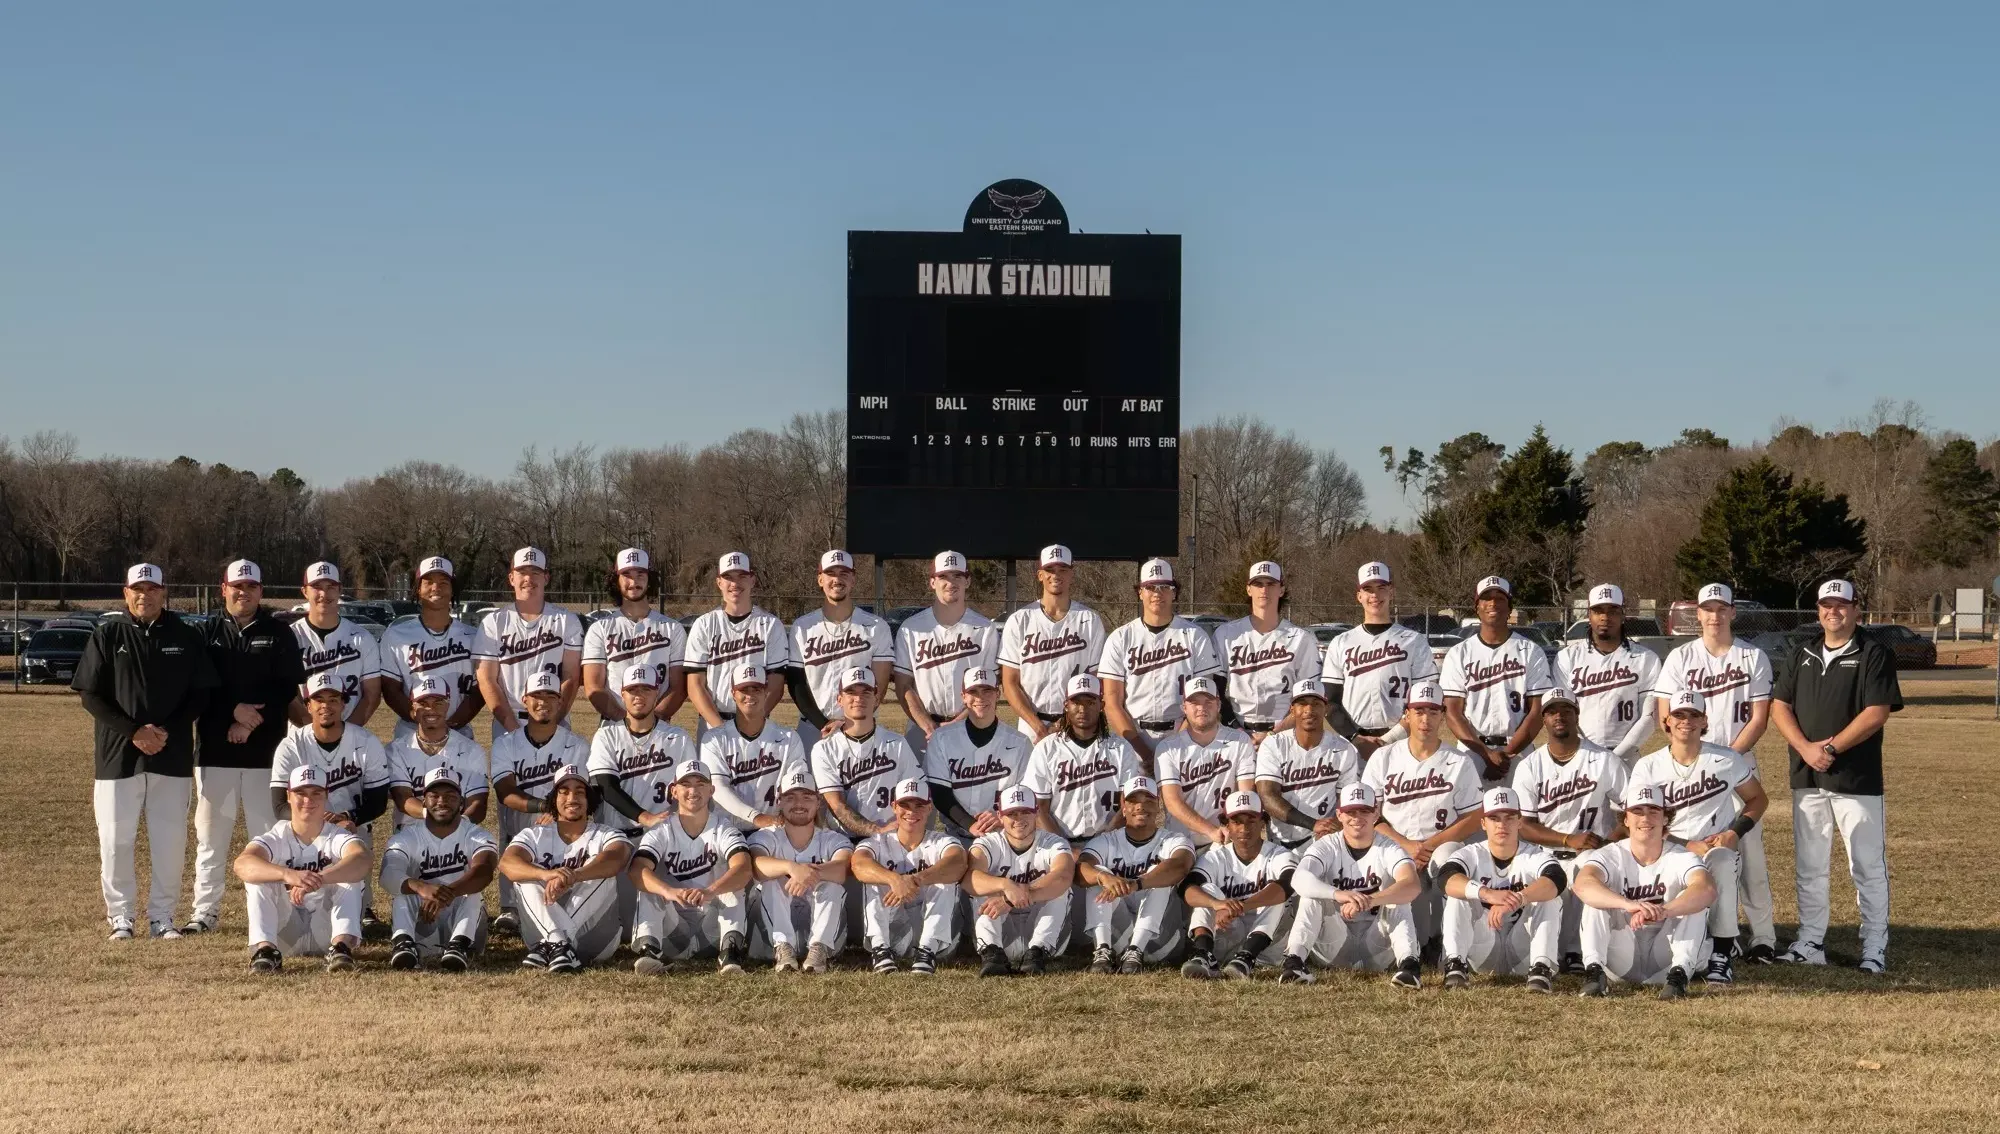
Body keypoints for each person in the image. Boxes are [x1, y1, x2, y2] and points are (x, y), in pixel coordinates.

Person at [75, 563, 219, 939]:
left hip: (170, 755)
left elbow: (200, 694)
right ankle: (121, 917)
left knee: (169, 840)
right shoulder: (107, 634)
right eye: (137, 589)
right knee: (115, 838)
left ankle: (162, 918)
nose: (144, 595)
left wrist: (164, 732)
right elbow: (90, 694)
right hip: (116, 755)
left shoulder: (186, 636)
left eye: (151, 589)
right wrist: (133, 730)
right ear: (125, 593)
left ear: (163, 592)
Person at [1770, 578, 1902, 974]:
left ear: (1856, 608)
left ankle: (1874, 947)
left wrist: (1829, 749)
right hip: (1807, 777)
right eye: (1826, 605)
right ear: (1818, 610)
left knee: (1865, 865)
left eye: (1841, 604)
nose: (1834, 611)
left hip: (1855, 780)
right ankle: (1810, 941)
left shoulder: (1873, 652)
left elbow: (1876, 712)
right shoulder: (1802, 651)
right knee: (1810, 865)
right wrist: (1806, 749)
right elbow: (1780, 705)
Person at [1652, 581, 1779, 961]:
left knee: (1748, 855)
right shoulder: (1680, 658)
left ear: (1732, 612)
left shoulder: (1753, 657)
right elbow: (1664, 713)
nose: (1714, 615)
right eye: (1708, 609)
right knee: (1690, 849)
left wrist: (1728, 760)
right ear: (1699, 613)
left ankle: (1763, 937)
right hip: (1689, 764)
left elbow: (1759, 718)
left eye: (1721, 608)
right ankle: (1708, 934)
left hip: (1738, 762)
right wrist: (1696, 754)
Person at [189, 558, 303, 935]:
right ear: (223, 589)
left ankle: (274, 914)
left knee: (268, 838)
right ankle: (205, 912)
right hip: (215, 752)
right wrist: (231, 716)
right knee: (211, 838)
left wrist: (251, 722)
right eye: (236, 586)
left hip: (265, 753)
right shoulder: (205, 632)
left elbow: (286, 687)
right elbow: (199, 688)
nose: (244, 592)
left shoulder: (279, 632)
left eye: (251, 586)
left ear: (261, 591)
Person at [1629, 690, 1769, 988]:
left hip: (1712, 850)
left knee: (1721, 860)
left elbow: (1757, 798)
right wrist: (1683, 844)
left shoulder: (1725, 758)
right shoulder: (1648, 766)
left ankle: (1721, 952)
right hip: (1665, 852)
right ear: (1667, 720)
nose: (1686, 721)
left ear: (1704, 720)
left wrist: (1734, 832)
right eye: (1679, 714)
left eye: (1694, 715)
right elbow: (1642, 821)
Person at [1360, 680, 1485, 957]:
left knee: (1449, 860)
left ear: (1442, 715)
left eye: (1432, 711)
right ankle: (1407, 944)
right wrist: (1407, 845)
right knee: (1399, 880)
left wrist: (1428, 845)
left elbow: (1476, 817)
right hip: (1394, 844)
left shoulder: (1459, 761)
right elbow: (1370, 813)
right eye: (1418, 711)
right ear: (1407, 714)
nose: (1425, 719)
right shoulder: (1383, 757)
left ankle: (1447, 944)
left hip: (1440, 844)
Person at [1510, 685, 1628, 972]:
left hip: (1590, 853)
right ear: (1543, 720)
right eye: (1551, 712)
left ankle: (1578, 952)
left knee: (1586, 868)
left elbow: (1631, 813)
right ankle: (1542, 953)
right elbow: (1523, 825)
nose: (1558, 716)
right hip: (1543, 853)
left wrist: (1607, 844)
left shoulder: (1604, 760)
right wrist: (1566, 838)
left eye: (1565, 710)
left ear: (1577, 715)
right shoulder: (1530, 766)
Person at [1571, 782, 1717, 1000]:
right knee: (1597, 899)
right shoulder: (1611, 853)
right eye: (1637, 811)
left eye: (1653, 810)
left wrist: (1663, 910)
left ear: (1666, 817)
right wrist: (1630, 905)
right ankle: (1594, 974)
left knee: (1692, 901)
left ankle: (1679, 977)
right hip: (1622, 956)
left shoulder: (1680, 856)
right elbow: (1582, 884)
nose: (1645, 818)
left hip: (1665, 957)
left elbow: (1706, 889)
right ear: (1626, 819)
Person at [1279, 782, 1424, 988]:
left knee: (1398, 897)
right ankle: (1293, 963)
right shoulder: (1327, 845)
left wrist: (1369, 900)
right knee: (1312, 894)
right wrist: (1340, 895)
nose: (1357, 818)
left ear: (1376, 814)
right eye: (1350, 811)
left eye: (1364, 811)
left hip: (1378, 946)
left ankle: (1409, 967)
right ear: (1339, 814)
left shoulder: (1389, 846)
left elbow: (1412, 885)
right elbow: (1299, 879)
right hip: (1334, 943)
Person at [234, 765, 370, 974]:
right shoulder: (278, 834)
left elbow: (361, 860)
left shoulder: (336, 835)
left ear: (326, 796)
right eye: (301, 793)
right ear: (288, 796)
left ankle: (341, 948)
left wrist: (318, 879)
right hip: (286, 933)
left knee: (349, 876)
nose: (308, 800)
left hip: (327, 930)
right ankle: (266, 951)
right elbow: (242, 864)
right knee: (258, 878)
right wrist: (289, 875)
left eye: (316, 793)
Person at [497, 764, 632, 973]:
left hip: (595, 939)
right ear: (553, 799)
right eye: (564, 792)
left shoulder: (606, 833)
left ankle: (557, 941)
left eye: (580, 792)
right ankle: (558, 941)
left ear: (590, 800)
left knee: (599, 871)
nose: (572, 798)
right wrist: (546, 873)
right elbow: (507, 863)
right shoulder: (535, 834)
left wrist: (573, 876)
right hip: (541, 941)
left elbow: (616, 859)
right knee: (525, 876)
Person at [489, 671, 591, 935]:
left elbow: (581, 794)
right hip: (521, 826)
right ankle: (509, 907)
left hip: (563, 829)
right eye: (536, 695)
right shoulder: (505, 744)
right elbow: (505, 792)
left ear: (561, 702)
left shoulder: (577, 745)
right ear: (524, 700)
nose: (543, 701)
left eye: (550, 695)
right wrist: (546, 807)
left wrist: (557, 813)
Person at [1437, 787, 1568, 991]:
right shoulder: (1471, 853)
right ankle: (1455, 965)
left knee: (1549, 898)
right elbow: (1446, 878)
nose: (1502, 825)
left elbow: (1556, 879)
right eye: (1494, 818)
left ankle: (1541, 968)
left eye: (1508, 818)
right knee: (1458, 896)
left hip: (1523, 949)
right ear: (1483, 823)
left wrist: (1516, 899)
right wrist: (1488, 894)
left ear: (1519, 822)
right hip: (1484, 946)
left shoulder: (1534, 855)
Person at [630, 761, 754, 974]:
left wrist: (710, 891)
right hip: (675, 932)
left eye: (700, 784)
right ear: (674, 791)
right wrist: (669, 891)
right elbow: (636, 870)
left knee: (734, 885)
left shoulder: (724, 828)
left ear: (711, 790)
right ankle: (649, 951)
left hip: (712, 932)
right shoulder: (662, 830)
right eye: (686, 784)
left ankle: (730, 954)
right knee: (649, 885)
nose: (693, 791)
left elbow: (743, 868)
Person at [1099, 558, 1225, 766]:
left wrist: (1176, 744)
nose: (1157, 593)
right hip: (1133, 737)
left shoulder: (1195, 635)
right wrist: (1144, 753)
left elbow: (1205, 699)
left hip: (1185, 736)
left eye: (1165, 587)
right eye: (1150, 587)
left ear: (1174, 592)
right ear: (1140, 592)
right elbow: (1112, 704)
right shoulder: (1121, 638)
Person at [381, 767, 498, 972]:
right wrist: (421, 887)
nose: (442, 802)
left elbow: (484, 871)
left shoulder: (476, 834)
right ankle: (405, 944)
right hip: (424, 918)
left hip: (464, 921)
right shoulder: (407, 836)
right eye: (434, 796)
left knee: (472, 892)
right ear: (424, 802)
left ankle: (458, 946)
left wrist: (448, 893)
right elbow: (388, 874)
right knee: (403, 891)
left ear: (462, 803)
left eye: (450, 796)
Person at [1075, 775, 1196, 974]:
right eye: (1133, 801)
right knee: (1099, 874)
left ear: (1159, 807)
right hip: (1121, 939)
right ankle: (1102, 951)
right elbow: (1081, 870)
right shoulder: (1106, 841)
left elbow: (1180, 866)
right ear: (1124, 807)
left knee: (1158, 874)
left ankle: (1136, 950)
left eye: (1148, 801)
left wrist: (1137, 883)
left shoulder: (1174, 839)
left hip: (1161, 941)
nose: (1141, 806)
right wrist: (1104, 877)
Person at [1439, 576, 1554, 782]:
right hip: (1472, 751)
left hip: (1519, 751)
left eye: (1500, 599)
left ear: (1510, 608)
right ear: (1477, 607)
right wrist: (1485, 754)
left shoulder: (1530, 651)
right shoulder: (1459, 653)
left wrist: (1507, 754)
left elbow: (1537, 711)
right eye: (1486, 598)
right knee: (1474, 813)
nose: (1493, 603)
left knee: (1520, 813)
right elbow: (1453, 712)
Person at [850, 778, 968, 975]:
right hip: (895, 929)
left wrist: (915, 880)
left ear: (930, 808)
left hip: (939, 938)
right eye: (905, 805)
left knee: (943, 880)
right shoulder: (879, 841)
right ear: (894, 807)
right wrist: (894, 879)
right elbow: (858, 864)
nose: (912, 812)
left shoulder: (943, 841)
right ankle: (881, 950)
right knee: (874, 879)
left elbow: (958, 863)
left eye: (919, 805)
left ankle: (927, 952)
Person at [1321, 562, 1438, 759]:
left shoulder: (1414, 641)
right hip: (1352, 745)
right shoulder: (1341, 642)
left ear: (1391, 592)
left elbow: (1425, 701)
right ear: (1359, 595)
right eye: (1368, 589)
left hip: (1402, 742)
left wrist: (1388, 739)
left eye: (1381, 588)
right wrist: (1356, 739)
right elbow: (1330, 702)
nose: (1375, 595)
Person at [1178, 791, 1295, 980]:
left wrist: (1239, 907)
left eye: (1251, 820)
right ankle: (1202, 954)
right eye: (1237, 821)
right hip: (1228, 933)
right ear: (1227, 826)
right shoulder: (1216, 857)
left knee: (1274, 892)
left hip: (1267, 946)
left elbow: (1287, 885)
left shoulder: (1279, 854)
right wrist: (1217, 904)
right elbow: (1187, 889)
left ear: (1262, 822)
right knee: (1206, 891)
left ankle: (1246, 958)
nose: (1244, 828)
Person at [894, 550, 1000, 757]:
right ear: (932, 582)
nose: (951, 582)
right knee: (920, 788)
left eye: (957, 576)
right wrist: (927, 725)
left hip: (972, 722)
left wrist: (957, 722)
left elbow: (991, 686)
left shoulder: (985, 629)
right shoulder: (911, 628)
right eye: (943, 576)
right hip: (921, 727)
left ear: (967, 581)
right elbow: (903, 685)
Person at [748, 765, 854, 973]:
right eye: (790, 798)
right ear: (779, 802)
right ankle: (783, 948)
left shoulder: (832, 838)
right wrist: (791, 867)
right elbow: (758, 866)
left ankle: (818, 949)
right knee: (771, 882)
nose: (798, 804)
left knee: (831, 886)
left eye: (806, 797)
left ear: (818, 801)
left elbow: (842, 869)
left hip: (820, 927)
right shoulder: (767, 835)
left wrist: (809, 873)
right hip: (770, 933)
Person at [787, 549, 894, 752]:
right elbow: (797, 683)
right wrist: (823, 723)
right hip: (813, 727)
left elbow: (879, 685)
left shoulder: (876, 626)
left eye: (844, 573)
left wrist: (851, 722)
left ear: (853, 579)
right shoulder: (802, 627)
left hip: (861, 726)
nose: (837, 579)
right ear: (820, 579)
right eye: (831, 573)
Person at [999, 544, 1106, 742]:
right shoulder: (1020, 620)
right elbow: (1010, 682)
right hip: (1030, 725)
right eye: (1050, 570)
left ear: (1071, 574)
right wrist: (1038, 727)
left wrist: (1065, 723)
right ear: (1040, 575)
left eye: (1062, 570)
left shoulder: (1090, 621)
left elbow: (1095, 680)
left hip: (1077, 724)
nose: (1056, 575)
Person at [966, 785, 1076, 976]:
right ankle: (992, 954)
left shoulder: (1054, 842)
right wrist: (1005, 885)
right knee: (982, 889)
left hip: (1047, 939)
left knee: (1060, 889)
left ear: (1036, 813)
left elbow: (1064, 875)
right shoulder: (988, 842)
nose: (1019, 819)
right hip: (1003, 937)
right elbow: (970, 879)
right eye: (1012, 813)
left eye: (1025, 811)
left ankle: (1036, 954)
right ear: (1000, 816)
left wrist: (1014, 897)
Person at [1020, 673, 1143, 843]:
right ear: (1066, 705)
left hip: (1111, 841)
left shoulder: (1121, 749)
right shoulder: (1046, 749)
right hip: (1057, 842)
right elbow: (1038, 808)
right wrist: (1064, 848)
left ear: (1102, 705)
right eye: (1076, 702)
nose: (1083, 709)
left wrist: (1102, 846)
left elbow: (1129, 806)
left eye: (1090, 702)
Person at [474, 547, 584, 737]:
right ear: (511, 578)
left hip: (555, 719)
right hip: (508, 720)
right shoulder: (494, 622)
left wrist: (550, 723)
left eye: (536, 573)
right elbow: (486, 679)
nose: (529, 579)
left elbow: (571, 677)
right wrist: (511, 726)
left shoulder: (567, 620)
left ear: (546, 578)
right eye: (522, 573)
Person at [683, 550, 791, 740]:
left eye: (742, 576)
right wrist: (720, 727)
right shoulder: (704, 624)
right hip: (712, 727)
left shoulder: (771, 625)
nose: (735, 583)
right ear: (719, 582)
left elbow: (776, 684)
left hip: (757, 725)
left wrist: (751, 722)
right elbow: (695, 686)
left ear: (752, 580)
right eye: (728, 577)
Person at [268, 673, 392, 836]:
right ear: (308, 706)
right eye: (319, 700)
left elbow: (378, 802)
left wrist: (349, 817)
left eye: (333, 699)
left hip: (353, 828)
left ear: (343, 704)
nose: (325, 706)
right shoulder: (291, 746)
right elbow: (279, 807)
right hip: (305, 832)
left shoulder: (366, 742)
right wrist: (318, 820)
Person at [1212, 560, 1319, 743]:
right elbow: (1216, 691)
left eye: (1271, 584)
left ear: (1281, 590)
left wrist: (1275, 732)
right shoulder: (1226, 634)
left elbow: (1309, 697)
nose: (1264, 590)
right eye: (1258, 584)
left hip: (1286, 733)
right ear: (1248, 589)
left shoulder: (1302, 639)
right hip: (1235, 733)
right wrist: (1237, 729)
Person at [378, 556, 482, 741]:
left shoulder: (474, 636)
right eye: (429, 582)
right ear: (418, 589)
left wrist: (452, 723)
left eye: (443, 582)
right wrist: (420, 719)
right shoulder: (396, 635)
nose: (436, 588)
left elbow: (479, 691)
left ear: (453, 590)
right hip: (410, 734)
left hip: (459, 734)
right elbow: (390, 689)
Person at [581, 547, 687, 725]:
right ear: (616, 580)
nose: (634, 581)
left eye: (640, 575)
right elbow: (593, 687)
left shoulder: (672, 628)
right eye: (627, 575)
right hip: (612, 727)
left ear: (650, 580)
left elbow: (679, 687)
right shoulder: (600, 629)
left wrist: (652, 722)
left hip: (659, 728)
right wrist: (625, 722)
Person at [1555, 584, 1661, 762]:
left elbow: (1649, 717)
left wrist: (1617, 755)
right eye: (1598, 611)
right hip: (1579, 755)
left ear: (1623, 615)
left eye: (1613, 611)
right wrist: (1586, 752)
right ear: (1589, 615)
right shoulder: (1566, 658)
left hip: (1627, 756)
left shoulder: (1646, 659)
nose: (1605, 617)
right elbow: (1562, 713)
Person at [811, 667, 921, 837]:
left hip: (891, 837)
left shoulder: (897, 743)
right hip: (843, 840)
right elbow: (837, 805)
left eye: (866, 692)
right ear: (839, 699)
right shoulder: (824, 749)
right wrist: (877, 831)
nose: (858, 698)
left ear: (877, 698)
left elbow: (914, 794)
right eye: (851, 692)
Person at [1253, 678, 1362, 849]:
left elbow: (1346, 800)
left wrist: (1333, 825)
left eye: (1316, 704)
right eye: (1302, 704)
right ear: (1292, 709)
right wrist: (1313, 823)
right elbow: (1267, 796)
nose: (1309, 710)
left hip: (1323, 839)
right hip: (1278, 843)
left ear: (1326, 709)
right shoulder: (1274, 744)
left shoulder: (1343, 749)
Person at [923, 666, 1032, 838]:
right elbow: (940, 793)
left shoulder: (1020, 743)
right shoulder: (941, 738)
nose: (980, 697)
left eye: (987, 690)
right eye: (973, 691)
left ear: (998, 694)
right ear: (964, 697)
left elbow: (1025, 793)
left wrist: (1000, 816)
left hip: (1002, 835)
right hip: (956, 834)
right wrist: (971, 824)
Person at [585, 664, 694, 835]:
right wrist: (646, 818)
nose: (639, 696)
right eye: (632, 690)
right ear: (622, 694)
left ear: (657, 693)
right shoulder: (606, 736)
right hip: (614, 835)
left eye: (646, 689)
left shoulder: (679, 738)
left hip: (663, 835)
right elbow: (607, 787)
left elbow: (690, 789)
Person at [701, 663, 810, 833]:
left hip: (773, 828)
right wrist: (756, 817)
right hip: (726, 829)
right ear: (733, 694)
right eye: (744, 690)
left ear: (766, 692)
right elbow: (718, 788)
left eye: (756, 689)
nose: (750, 695)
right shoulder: (714, 738)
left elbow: (796, 788)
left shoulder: (789, 738)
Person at [1157, 676, 1257, 848]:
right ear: (1184, 708)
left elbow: (1245, 794)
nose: (1201, 708)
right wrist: (1210, 830)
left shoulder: (1240, 741)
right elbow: (1172, 802)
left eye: (1208, 701)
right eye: (1194, 702)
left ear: (1218, 705)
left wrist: (1227, 831)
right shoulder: (1168, 748)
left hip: (1225, 839)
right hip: (1179, 842)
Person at [385, 675, 490, 829]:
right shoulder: (396, 750)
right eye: (423, 703)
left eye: (438, 703)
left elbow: (478, 803)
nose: (430, 709)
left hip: (458, 834)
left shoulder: (471, 750)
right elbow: (403, 799)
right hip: (410, 834)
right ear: (413, 707)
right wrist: (440, 818)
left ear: (448, 705)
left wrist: (457, 825)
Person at [287, 560, 382, 727]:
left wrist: (344, 733)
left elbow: (372, 695)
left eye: (331, 587)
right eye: (317, 587)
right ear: (304, 591)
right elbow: (286, 695)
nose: (324, 594)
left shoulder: (362, 637)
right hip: (302, 736)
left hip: (350, 732)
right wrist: (314, 732)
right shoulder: (290, 636)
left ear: (340, 590)